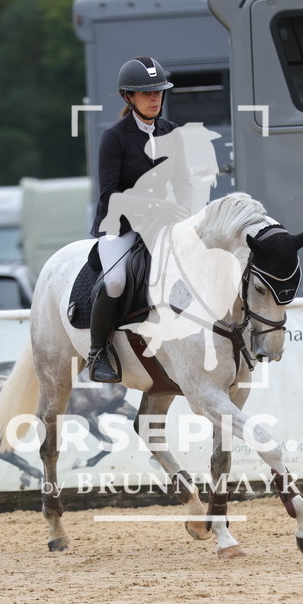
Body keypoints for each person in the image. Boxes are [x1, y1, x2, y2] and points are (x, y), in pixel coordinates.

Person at [87, 56, 189, 383]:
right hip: (120, 226)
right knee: (116, 281)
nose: (155, 98)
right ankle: (97, 352)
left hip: (162, 227)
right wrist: (154, 208)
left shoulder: (172, 133)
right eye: (146, 93)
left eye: (159, 91)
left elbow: (184, 184)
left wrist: (184, 216)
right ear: (128, 97)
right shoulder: (114, 137)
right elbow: (109, 195)